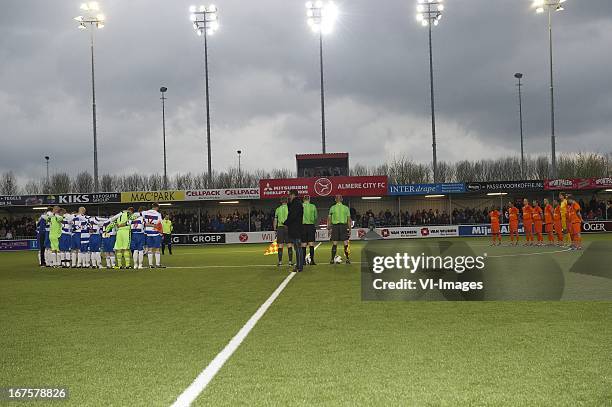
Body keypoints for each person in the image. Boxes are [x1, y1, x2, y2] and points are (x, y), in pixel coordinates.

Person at [328, 194, 351, 264]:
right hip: (343, 226)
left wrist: (329, 228)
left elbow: (329, 219)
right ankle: (347, 259)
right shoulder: (346, 208)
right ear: (342, 199)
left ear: (335, 200)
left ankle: (332, 259)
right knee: (345, 243)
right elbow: (349, 220)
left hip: (335, 227)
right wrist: (350, 229)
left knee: (334, 243)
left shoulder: (332, 208)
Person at [285, 190, 304, 273]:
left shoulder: (296, 204)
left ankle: (300, 266)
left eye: (290, 195)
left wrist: (286, 222)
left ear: (293, 195)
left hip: (296, 228)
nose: (289, 197)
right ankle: (299, 265)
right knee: (297, 248)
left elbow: (292, 216)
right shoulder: (296, 203)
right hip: (297, 228)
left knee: (298, 247)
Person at [143, 203, 164, 268]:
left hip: (148, 232)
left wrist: (147, 225)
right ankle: (157, 264)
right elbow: (160, 224)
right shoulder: (158, 214)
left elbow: (142, 221)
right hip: (156, 232)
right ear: (156, 207)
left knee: (150, 249)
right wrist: (161, 233)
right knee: (157, 249)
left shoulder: (144, 212)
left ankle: (150, 265)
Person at [273, 197, 291, 266]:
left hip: (280, 228)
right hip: (288, 227)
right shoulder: (289, 208)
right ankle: (290, 262)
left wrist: (275, 229)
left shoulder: (278, 209)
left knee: (280, 245)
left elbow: (275, 220)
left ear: (281, 201)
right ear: (287, 201)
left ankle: (280, 262)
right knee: (289, 244)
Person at [301, 195, 318, 265]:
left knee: (303, 244)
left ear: (303, 199)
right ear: (309, 199)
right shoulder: (313, 206)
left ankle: (303, 261)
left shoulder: (300, 206)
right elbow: (315, 217)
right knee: (311, 244)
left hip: (302, 226)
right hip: (311, 226)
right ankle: (312, 261)